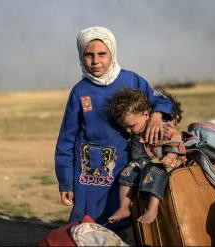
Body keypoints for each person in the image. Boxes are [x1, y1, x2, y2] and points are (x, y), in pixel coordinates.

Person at [54, 26, 172, 240]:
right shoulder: (80, 91)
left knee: (125, 227)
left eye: (102, 54)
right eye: (88, 55)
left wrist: (156, 116)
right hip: (90, 173)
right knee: (88, 227)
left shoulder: (133, 80)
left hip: (127, 166)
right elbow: (66, 140)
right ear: (81, 55)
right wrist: (65, 182)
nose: (95, 61)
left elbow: (161, 100)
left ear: (113, 53)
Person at [107, 88, 186, 224]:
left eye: (131, 126)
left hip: (165, 162)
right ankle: (124, 208)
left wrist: (170, 156)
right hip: (144, 162)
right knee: (126, 173)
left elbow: (176, 140)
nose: (128, 130)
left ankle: (152, 208)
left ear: (145, 114)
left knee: (154, 174)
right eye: (124, 127)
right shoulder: (135, 130)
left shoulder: (162, 128)